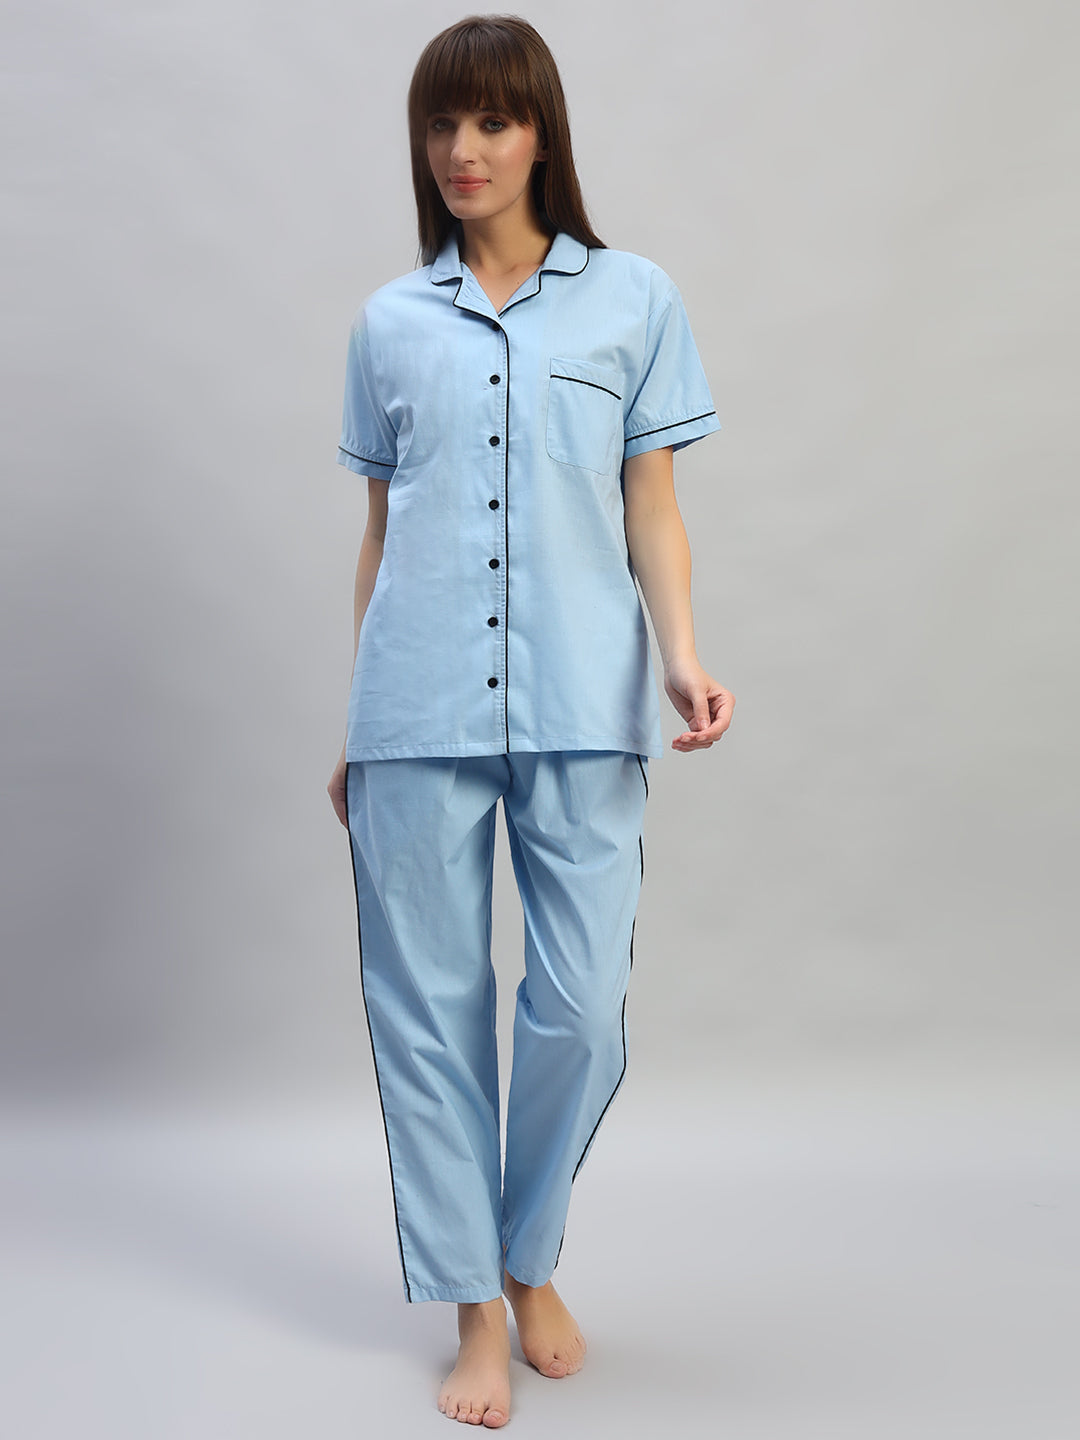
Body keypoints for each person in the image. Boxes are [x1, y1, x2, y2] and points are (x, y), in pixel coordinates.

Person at [326, 14, 734, 1428]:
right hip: (415, 708)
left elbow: (653, 505)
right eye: (442, 125)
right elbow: (381, 538)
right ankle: (475, 1310)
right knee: (428, 1017)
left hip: (581, 700)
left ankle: (527, 1252)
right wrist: (356, 719)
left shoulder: (634, 299)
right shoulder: (389, 323)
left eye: (492, 121)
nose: (463, 149)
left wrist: (681, 656)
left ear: (542, 134)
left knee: (582, 1009)